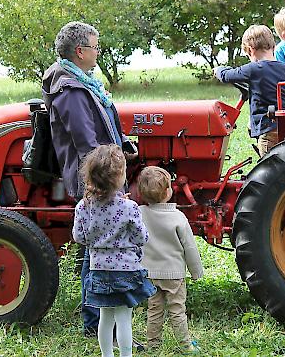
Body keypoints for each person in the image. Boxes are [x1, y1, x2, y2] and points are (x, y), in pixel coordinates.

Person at [42, 21, 133, 336]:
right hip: (95, 175)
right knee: (96, 249)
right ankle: (94, 321)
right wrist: (110, 178)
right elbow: (85, 140)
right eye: (95, 46)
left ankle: (97, 314)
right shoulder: (70, 88)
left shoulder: (84, 82)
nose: (98, 51)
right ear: (80, 52)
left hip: (104, 168)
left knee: (97, 247)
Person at [72, 144, 156, 357]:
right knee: (123, 319)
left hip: (98, 270)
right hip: (125, 271)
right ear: (119, 176)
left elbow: (79, 237)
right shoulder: (129, 207)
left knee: (105, 318)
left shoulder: (83, 206)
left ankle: (106, 355)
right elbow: (141, 237)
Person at [138, 166, 204, 352]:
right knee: (177, 310)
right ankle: (185, 345)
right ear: (168, 192)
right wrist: (196, 272)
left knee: (154, 310)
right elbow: (189, 247)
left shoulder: (140, 214)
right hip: (174, 274)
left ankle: (153, 345)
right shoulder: (177, 217)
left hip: (151, 273)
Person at [214, 25, 285, 154]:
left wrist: (218, 70)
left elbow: (227, 76)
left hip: (267, 128)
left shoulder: (253, 69)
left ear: (250, 50)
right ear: (273, 46)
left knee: (270, 165)